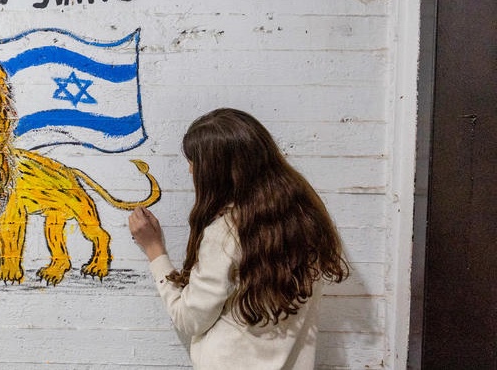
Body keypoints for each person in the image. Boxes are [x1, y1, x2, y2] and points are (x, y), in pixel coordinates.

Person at [129, 108, 349, 370]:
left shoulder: (225, 233)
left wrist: (155, 250)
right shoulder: (307, 219)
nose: (190, 170)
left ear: (217, 171)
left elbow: (190, 319)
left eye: (194, 162)